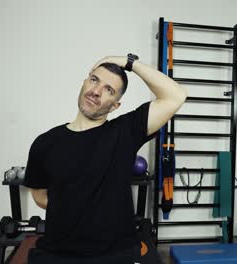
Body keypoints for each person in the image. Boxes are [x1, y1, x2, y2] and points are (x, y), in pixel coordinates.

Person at [23, 54, 187, 264]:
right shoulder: (44, 143)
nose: (96, 91)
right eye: (94, 80)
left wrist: (129, 63)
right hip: (57, 253)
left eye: (109, 90)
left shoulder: (125, 132)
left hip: (115, 255)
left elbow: (176, 95)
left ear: (115, 105)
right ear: (84, 83)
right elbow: (40, 198)